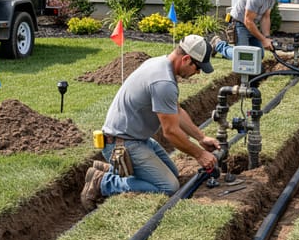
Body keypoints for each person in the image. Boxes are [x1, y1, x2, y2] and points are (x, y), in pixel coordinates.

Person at [81, 34, 221, 208]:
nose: (198, 72)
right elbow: (170, 132)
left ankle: (113, 169)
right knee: (168, 186)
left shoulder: (159, 64)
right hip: (121, 144)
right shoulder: (163, 82)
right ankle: (103, 181)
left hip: (135, 139)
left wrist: (201, 138)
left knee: (172, 173)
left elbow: (176, 111)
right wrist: (200, 155)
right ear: (186, 59)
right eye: (198, 67)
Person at [212, 0, 288, 60]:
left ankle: (230, 52)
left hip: (251, 24)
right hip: (239, 23)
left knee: (259, 55)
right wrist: (263, 40)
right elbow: (247, 20)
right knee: (243, 56)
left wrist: (267, 38)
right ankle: (218, 44)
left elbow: (266, 17)